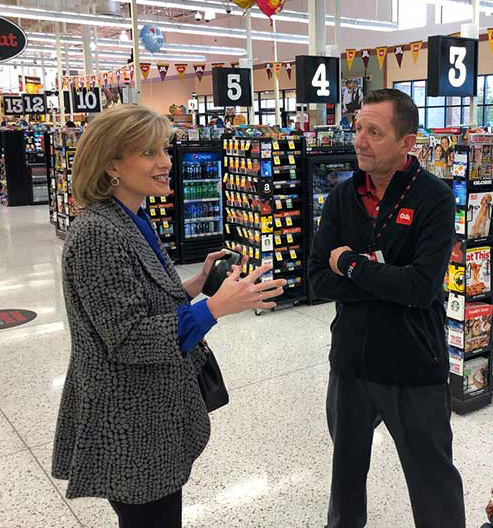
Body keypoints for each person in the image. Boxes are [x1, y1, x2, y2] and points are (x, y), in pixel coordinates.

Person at [51, 105, 285, 528]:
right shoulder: (97, 234)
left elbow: (142, 298)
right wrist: (216, 307)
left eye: (164, 149)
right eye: (149, 153)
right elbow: (128, 337)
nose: (165, 163)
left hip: (151, 411)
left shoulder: (132, 216)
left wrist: (196, 284)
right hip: (128, 420)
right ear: (111, 165)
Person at [309, 89, 465, 528]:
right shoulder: (342, 197)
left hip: (413, 366)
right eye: (358, 128)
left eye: (374, 132)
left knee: (434, 485)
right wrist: (383, 275)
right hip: (350, 365)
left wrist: (352, 264)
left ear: (407, 143)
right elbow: (318, 279)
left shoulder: (433, 198)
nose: (359, 140)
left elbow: (421, 287)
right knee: (345, 484)